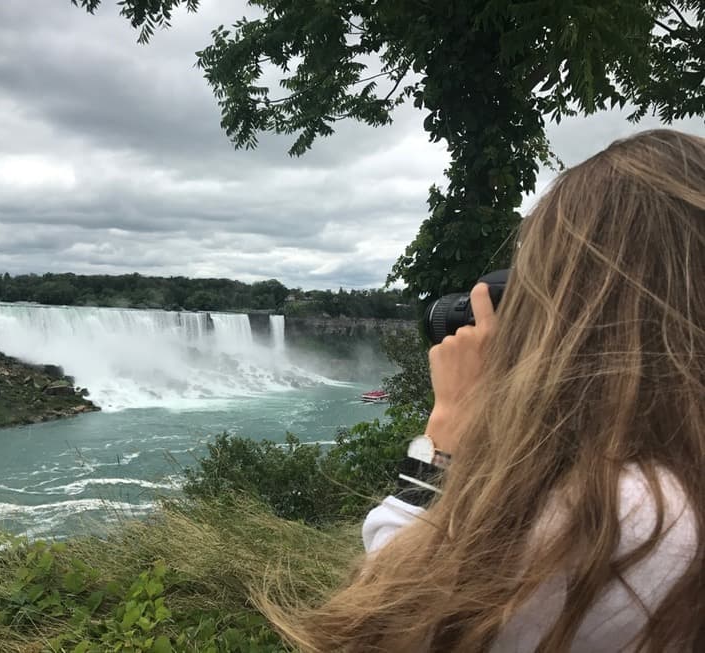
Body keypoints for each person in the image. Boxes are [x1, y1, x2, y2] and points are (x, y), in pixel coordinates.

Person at [263, 129, 704, 651]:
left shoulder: (620, 514)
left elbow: (380, 628)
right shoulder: (679, 480)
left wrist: (447, 430)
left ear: (581, 309)